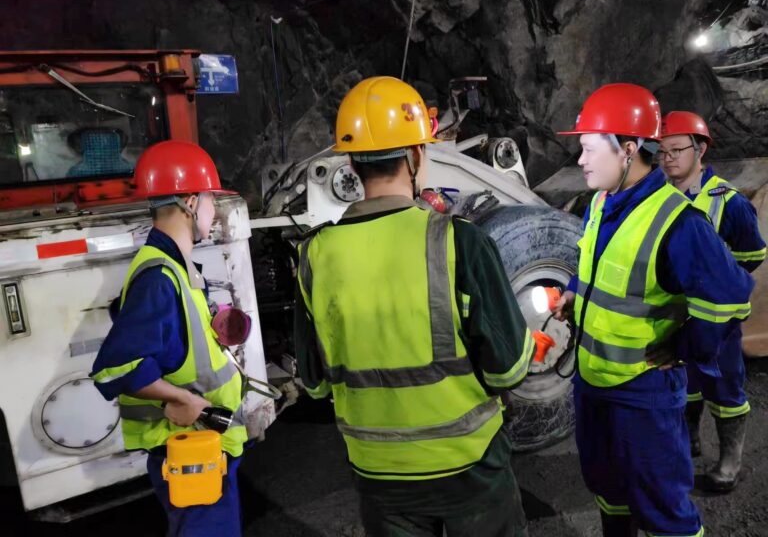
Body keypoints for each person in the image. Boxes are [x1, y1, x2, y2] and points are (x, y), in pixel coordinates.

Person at [294, 76, 534, 537]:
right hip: (468, 463)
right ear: (416, 156)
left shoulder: (314, 256)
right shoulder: (458, 241)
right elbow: (509, 370)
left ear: (352, 163)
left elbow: (316, 384)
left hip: (377, 471)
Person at [554, 84, 754, 537]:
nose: (580, 160)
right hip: (594, 384)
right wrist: (573, 292)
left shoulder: (678, 221)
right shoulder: (600, 202)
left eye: (589, 149)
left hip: (642, 394)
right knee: (609, 491)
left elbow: (729, 297)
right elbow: (593, 261)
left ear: (628, 149)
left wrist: (685, 346)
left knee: (664, 509)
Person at [91, 140, 247, 537]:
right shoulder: (159, 275)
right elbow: (115, 367)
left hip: (203, 447)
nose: (213, 210)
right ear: (190, 203)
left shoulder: (175, 267)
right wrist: (179, 399)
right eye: (211, 200)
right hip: (189, 452)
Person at [659, 111, 766, 491]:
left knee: (724, 387)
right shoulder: (658, 197)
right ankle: (689, 442)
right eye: (661, 151)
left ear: (700, 149)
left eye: (676, 149)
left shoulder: (729, 202)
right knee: (683, 379)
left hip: (718, 319)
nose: (668, 158)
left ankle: (730, 461)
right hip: (675, 314)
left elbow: (752, 255)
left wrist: (716, 279)